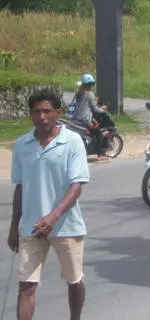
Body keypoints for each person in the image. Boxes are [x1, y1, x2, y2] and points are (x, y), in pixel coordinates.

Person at [9, 89, 89, 320]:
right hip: (32, 227)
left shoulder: (72, 141)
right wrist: (15, 226)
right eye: (36, 111)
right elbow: (20, 187)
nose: (41, 116)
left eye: (46, 111)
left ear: (57, 112)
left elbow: (76, 186)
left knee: (74, 281)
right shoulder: (22, 144)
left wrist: (53, 217)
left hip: (66, 226)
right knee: (27, 284)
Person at [70, 74, 108, 157]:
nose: (91, 86)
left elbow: (86, 105)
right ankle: (100, 154)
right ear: (89, 84)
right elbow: (94, 108)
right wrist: (103, 110)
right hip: (84, 121)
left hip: (75, 120)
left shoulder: (78, 92)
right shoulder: (90, 94)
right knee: (99, 133)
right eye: (91, 84)